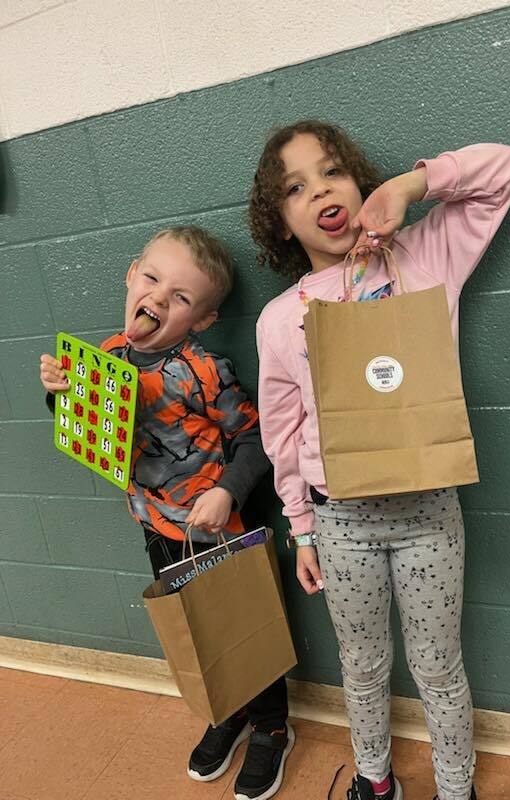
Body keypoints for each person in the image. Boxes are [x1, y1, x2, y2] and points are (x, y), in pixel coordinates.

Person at [250, 120, 510, 800]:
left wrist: (412, 185)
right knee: (363, 666)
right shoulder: (280, 319)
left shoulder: (424, 257)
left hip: (429, 512)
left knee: (438, 666)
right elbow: (281, 430)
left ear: (358, 180)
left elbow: (504, 168)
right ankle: (375, 781)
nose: (321, 191)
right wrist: (301, 528)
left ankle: (456, 789)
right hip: (340, 523)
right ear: (279, 221)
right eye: (295, 188)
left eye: (332, 171)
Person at [40, 225, 293, 800]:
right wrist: (59, 394)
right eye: (152, 279)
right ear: (131, 276)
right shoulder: (104, 357)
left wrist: (227, 492)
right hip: (155, 525)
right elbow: (88, 425)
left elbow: (256, 438)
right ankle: (228, 710)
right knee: (199, 630)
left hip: (220, 530)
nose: (157, 297)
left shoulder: (203, 371)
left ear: (201, 320)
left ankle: (272, 726)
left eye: (180, 297)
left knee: (246, 627)